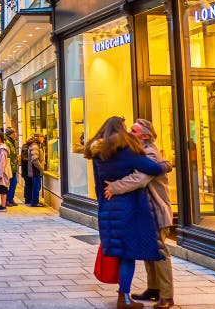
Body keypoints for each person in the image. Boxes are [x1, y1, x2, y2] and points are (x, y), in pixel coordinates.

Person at [84, 116, 166, 309]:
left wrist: (104, 205)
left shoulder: (98, 154)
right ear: (120, 130)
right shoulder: (127, 150)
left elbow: (98, 186)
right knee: (128, 254)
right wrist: (167, 163)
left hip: (108, 206)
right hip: (129, 207)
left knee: (119, 252)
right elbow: (153, 168)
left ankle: (125, 296)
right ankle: (125, 298)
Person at [105, 119, 175, 309]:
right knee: (149, 248)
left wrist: (115, 187)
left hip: (157, 208)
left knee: (160, 252)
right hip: (146, 208)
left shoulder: (150, 152)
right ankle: (153, 288)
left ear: (145, 135)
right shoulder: (137, 150)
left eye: (134, 131)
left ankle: (167, 296)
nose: (129, 132)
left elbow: (140, 179)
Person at [23, 135, 46, 207]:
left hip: (34, 170)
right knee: (36, 186)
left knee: (36, 186)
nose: (43, 139)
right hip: (35, 170)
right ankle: (34, 202)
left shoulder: (36, 145)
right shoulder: (35, 146)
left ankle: (34, 201)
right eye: (42, 137)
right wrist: (41, 168)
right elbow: (35, 159)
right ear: (38, 137)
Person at [4, 128, 20, 207]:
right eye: (14, 133)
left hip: (13, 166)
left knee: (14, 182)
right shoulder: (7, 142)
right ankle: (7, 199)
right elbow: (7, 155)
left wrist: (17, 158)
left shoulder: (11, 142)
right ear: (10, 134)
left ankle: (10, 198)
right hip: (9, 167)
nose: (15, 135)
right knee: (9, 183)